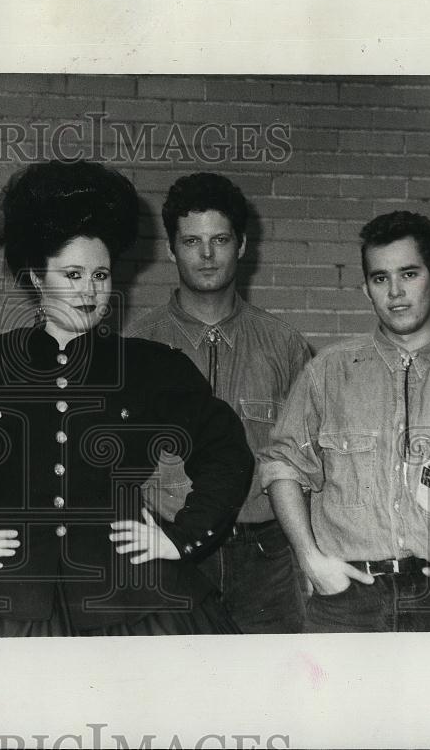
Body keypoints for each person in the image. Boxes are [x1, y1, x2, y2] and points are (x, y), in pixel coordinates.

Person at [0, 160, 254, 637]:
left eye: (100, 275)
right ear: (38, 278)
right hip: (7, 602)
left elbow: (225, 449)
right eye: (73, 274)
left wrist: (179, 539)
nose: (89, 291)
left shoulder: (150, 368)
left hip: (134, 599)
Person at [262, 211, 430, 632]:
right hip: (346, 599)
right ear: (366, 289)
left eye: (409, 274)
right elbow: (281, 467)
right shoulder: (327, 372)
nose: (396, 293)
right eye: (380, 278)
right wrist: (310, 559)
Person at [127, 172, 311, 633]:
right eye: (191, 241)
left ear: (242, 245)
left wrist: (310, 553)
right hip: (164, 546)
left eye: (220, 240)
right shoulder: (136, 345)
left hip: (266, 558)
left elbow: (306, 461)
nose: (207, 255)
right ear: (171, 249)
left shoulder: (284, 345)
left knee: (268, 691)